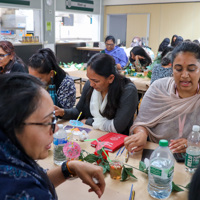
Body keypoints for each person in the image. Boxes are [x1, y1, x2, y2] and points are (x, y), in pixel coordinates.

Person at [0, 73, 105, 199]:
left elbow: (38, 179)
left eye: (54, 119)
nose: (54, 130)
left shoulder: (9, 156)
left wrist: (69, 168)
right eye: (47, 122)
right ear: (14, 125)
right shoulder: (22, 191)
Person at [124, 42, 200, 153]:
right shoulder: (158, 88)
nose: (184, 75)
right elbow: (141, 123)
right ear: (171, 68)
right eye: (178, 69)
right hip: (157, 154)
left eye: (191, 69)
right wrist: (141, 134)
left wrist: (194, 143)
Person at [54, 53, 138, 135]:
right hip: (94, 135)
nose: (91, 84)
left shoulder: (127, 91)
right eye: (89, 79)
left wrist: (88, 121)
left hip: (117, 141)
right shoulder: (90, 86)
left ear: (111, 78)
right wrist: (62, 112)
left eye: (96, 81)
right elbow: (78, 111)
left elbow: (117, 127)